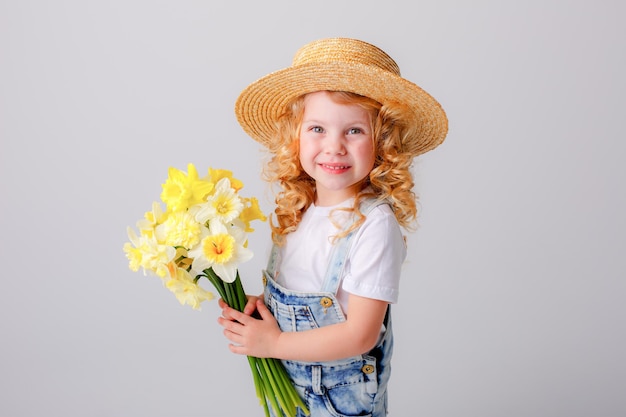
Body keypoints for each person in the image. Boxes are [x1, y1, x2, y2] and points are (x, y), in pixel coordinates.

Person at [217, 37, 448, 416]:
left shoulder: (373, 224)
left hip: (339, 402)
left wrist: (273, 344)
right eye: (317, 129)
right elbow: (304, 289)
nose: (334, 146)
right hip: (291, 389)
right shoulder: (299, 209)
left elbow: (360, 334)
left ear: (383, 142)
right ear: (295, 136)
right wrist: (264, 307)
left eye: (354, 131)